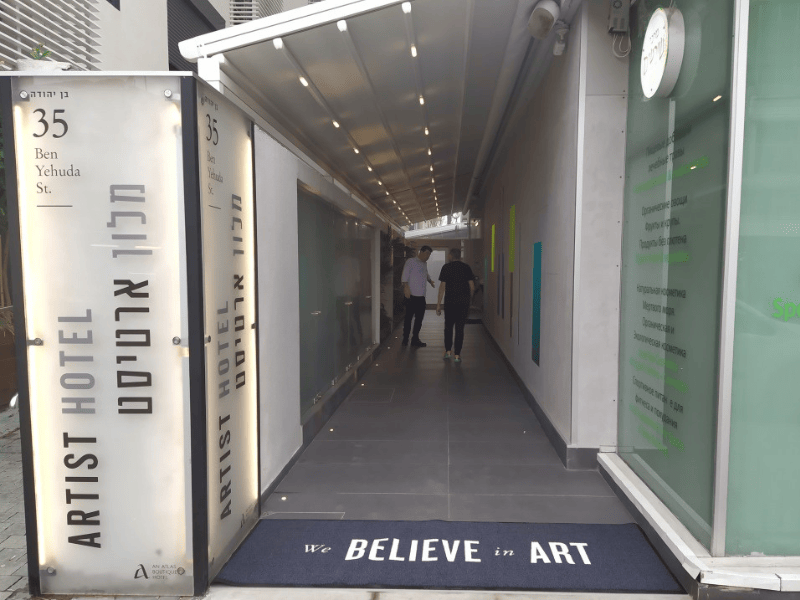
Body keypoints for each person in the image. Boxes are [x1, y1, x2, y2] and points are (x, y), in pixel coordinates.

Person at [436, 248, 475, 362]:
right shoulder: (466, 267)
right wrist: (469, 300)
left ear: (451, 256)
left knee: (448, 327)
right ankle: (457, 355)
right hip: (463, 303)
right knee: (460, 328)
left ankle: (448, 351)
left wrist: (438, 304)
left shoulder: (446, 267)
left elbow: (442, 287)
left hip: (450, 303)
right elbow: (472, 287)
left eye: (449, 255)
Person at [401, 245, 435, 347]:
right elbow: (404, 275)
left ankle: (415, 339)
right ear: (421, 252)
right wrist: (406, 287)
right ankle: (405, 339)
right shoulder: (411, 261)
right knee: (408, 318)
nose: (428, 256)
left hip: (421, 297)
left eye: (429, 254)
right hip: (411, 296)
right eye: (427, 253)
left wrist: (430, 280)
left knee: (419, 319)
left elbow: (426, 274)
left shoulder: (424, 264)